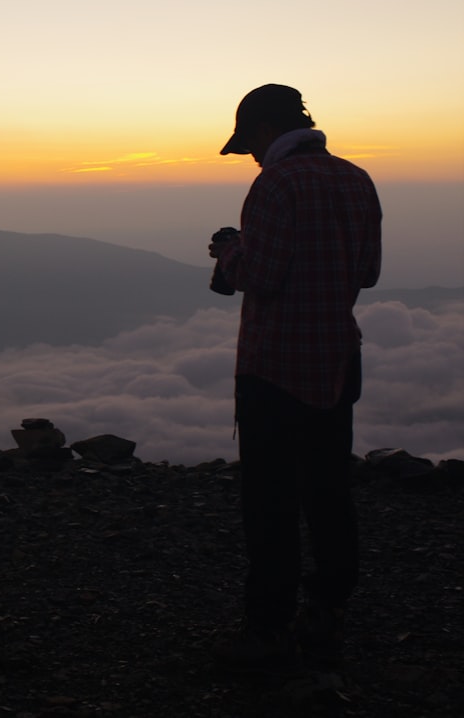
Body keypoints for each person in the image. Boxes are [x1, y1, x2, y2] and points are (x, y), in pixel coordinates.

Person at [207, 84, 382, 672]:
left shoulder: (274, 184)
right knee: (330, 494)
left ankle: (267, 631)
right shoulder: (356, 178)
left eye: (248, 145)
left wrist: (230, 250)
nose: (251, 158)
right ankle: (327, 612)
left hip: (276, 368)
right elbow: (369, 271)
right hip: (336, 361)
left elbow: (261, 274)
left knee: (271, 504)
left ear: (261, 131)